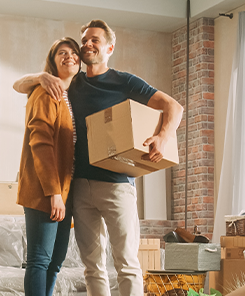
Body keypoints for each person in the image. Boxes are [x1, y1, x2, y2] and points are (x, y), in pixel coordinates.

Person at [14, 20, 183, 296]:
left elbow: (173, 107)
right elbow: (19, 85)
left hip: (117, 185)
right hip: (79, 187)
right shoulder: (70, 83)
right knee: (92, 267)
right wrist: (41, 77)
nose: (87, 44)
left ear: (109, 47)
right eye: (85, 40)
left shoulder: (123, 81)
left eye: (95, 40)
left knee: (126, 264)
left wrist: (163, 136)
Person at [17, 37, 80, 296]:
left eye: (74, 52)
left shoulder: (70, 96)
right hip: (45, 191)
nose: (69, 56)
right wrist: (54, 192)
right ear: (52, 62)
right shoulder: (46, 91)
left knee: (55, 262)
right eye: (61, 53)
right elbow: (41, 144)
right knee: (40, 261)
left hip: (64, 192)